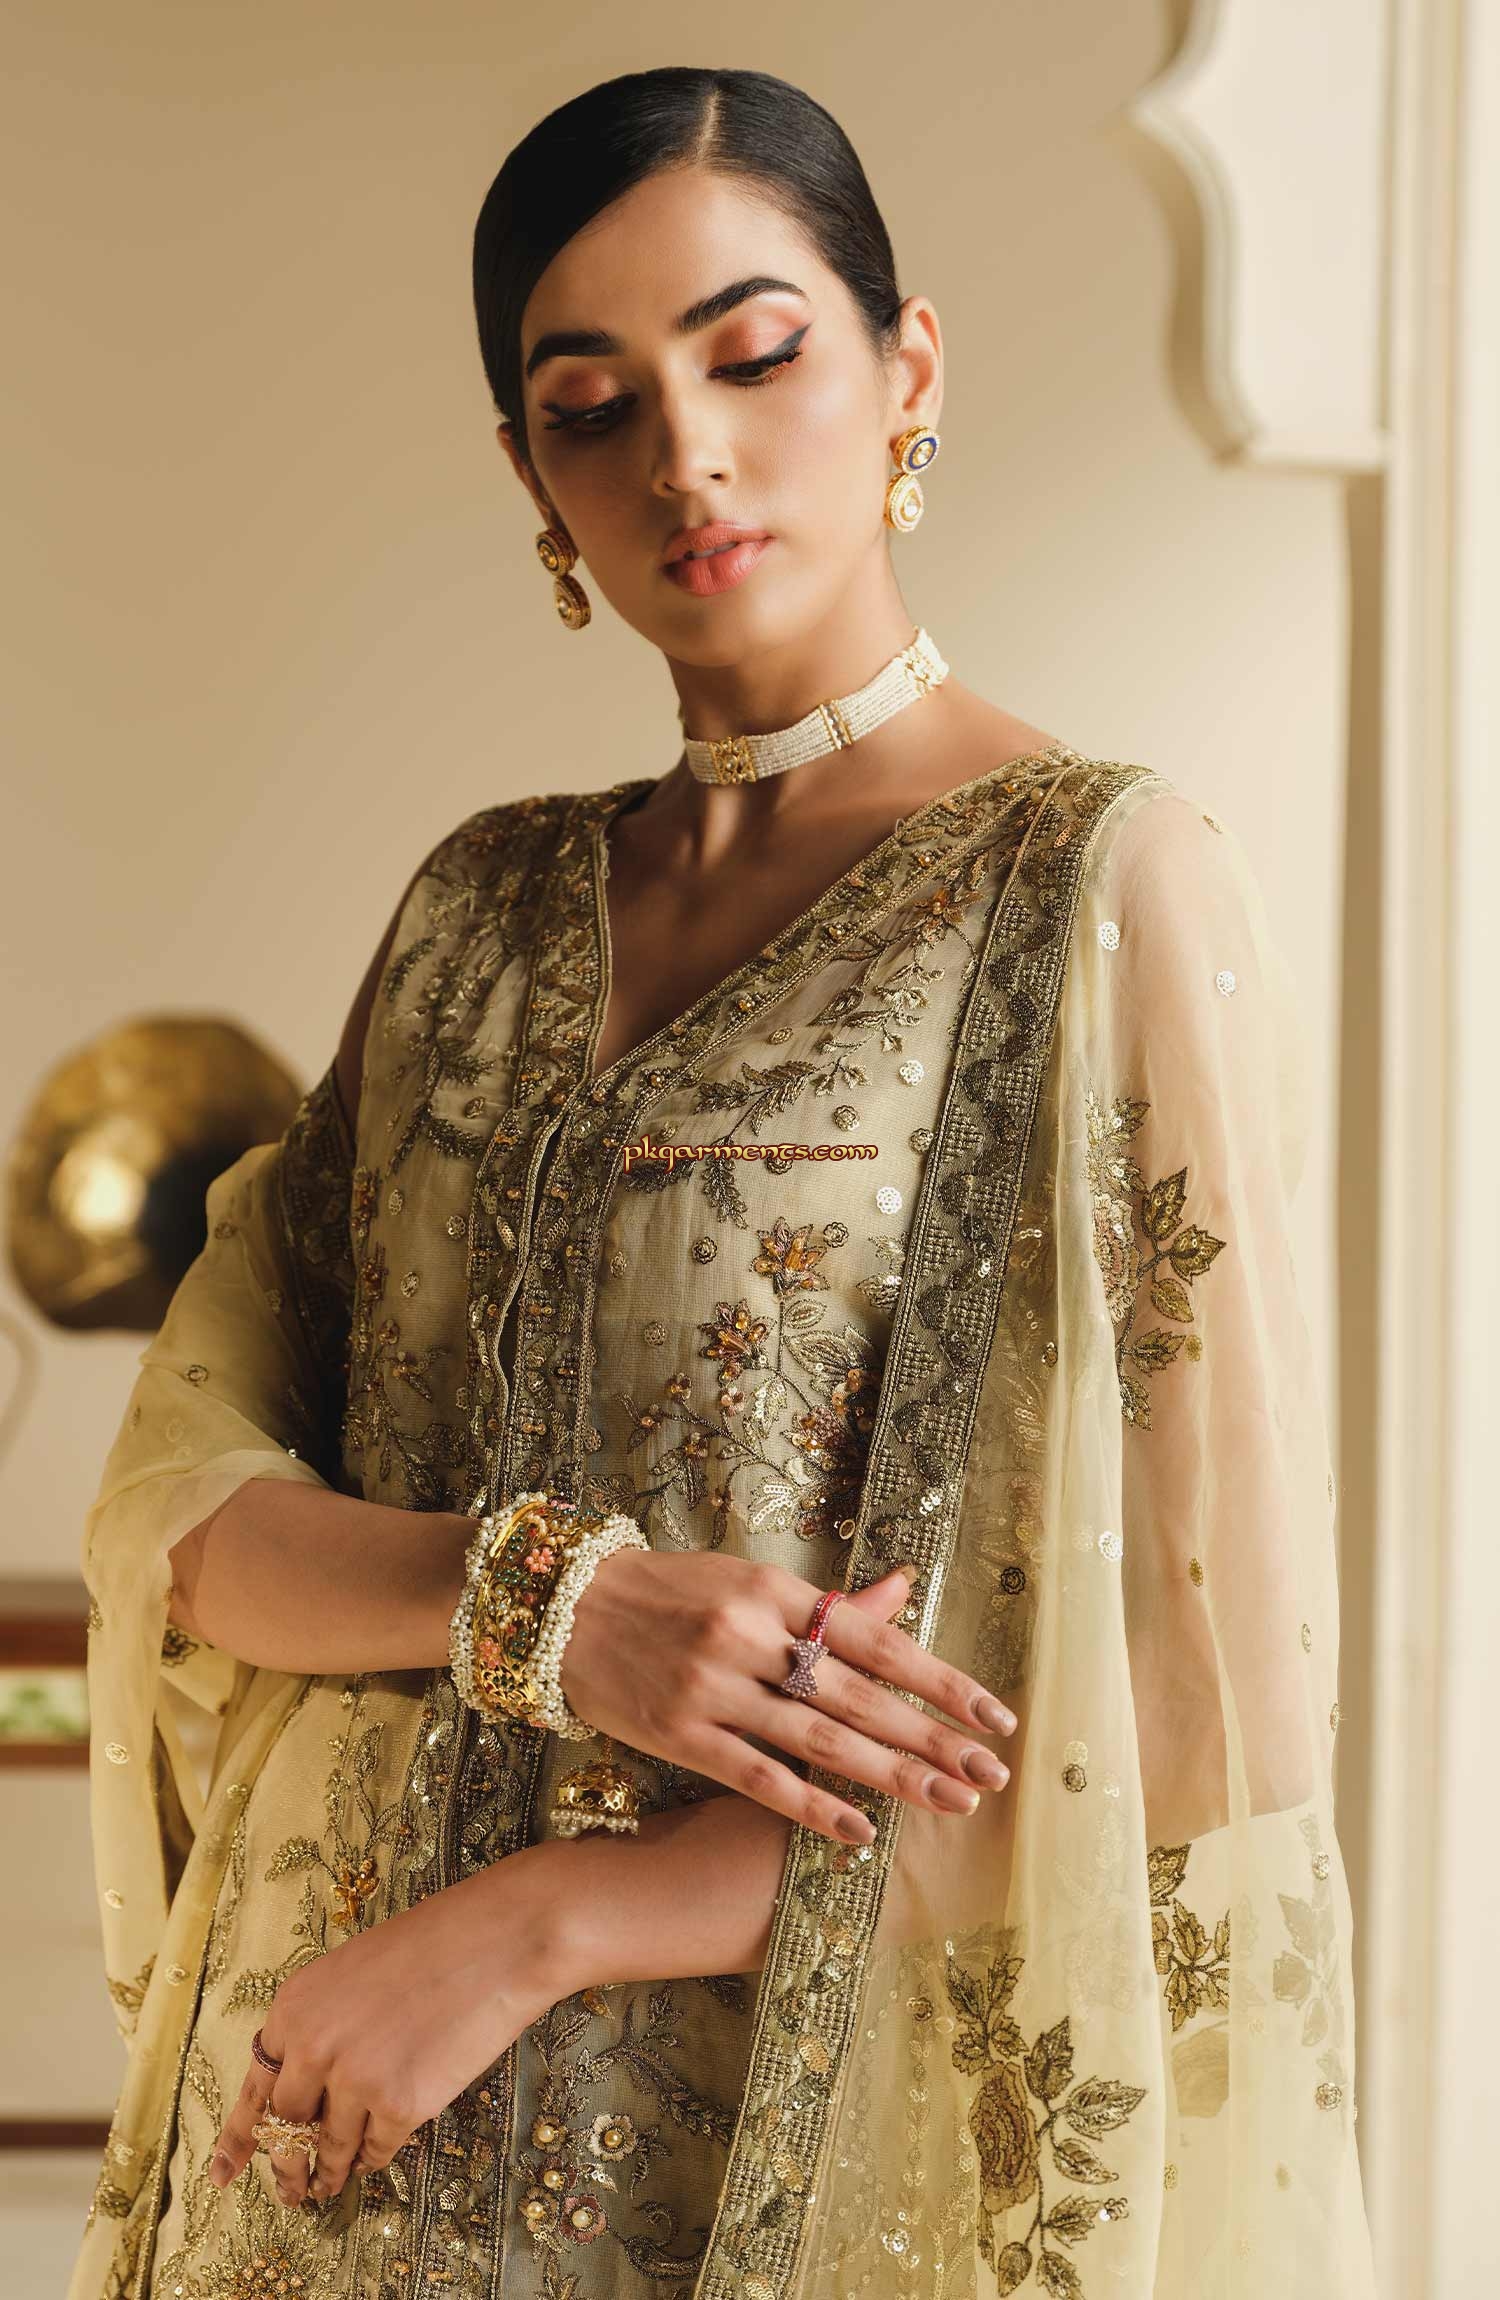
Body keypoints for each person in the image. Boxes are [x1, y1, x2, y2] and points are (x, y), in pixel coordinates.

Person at [69, 64, 1377, 2300]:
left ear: (907, 367)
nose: (684, 455)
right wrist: (555, 1609)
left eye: (755, 356)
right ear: (532, 476)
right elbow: (189, 1519)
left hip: (770, 2148)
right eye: (594, 407)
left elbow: (1194, 1711)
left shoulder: (1095, 887)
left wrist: (551, 1919)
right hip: (312, 2144)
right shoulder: (474, 910)